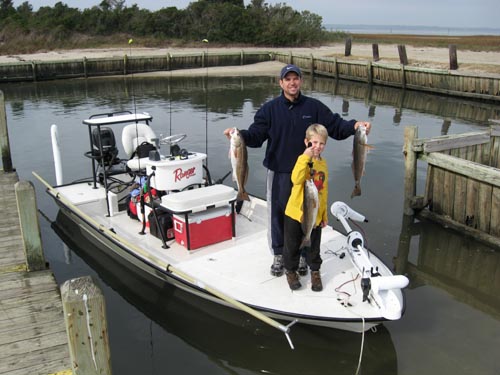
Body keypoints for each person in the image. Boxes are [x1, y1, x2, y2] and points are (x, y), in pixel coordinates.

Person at [224, 64, 371, 277]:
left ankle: (302, 254)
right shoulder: (269, 109)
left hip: (308, 175)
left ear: (301, 81)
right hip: (280, 172)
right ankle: (279, 254)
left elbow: (336, 126)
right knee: (278, 215)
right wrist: (239, 137)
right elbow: (256, 135)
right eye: (288, 79)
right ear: (281, 83)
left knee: (305, 214)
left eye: (296, 78)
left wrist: (356, 125)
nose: (292, 83)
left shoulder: (314, 107)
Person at [283, 124, 328, 291]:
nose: (317, 147)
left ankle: (315, 271)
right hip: (295, 213)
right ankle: (291, 271)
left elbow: (323, 192)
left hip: (314, 215)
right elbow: (296, 179)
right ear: (306, 142)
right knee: (292, 245)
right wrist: (305, 157)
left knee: (314, 248)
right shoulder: (302, 160)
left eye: (321, 143)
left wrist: (323, 214)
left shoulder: (323, 165)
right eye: (314, 143)